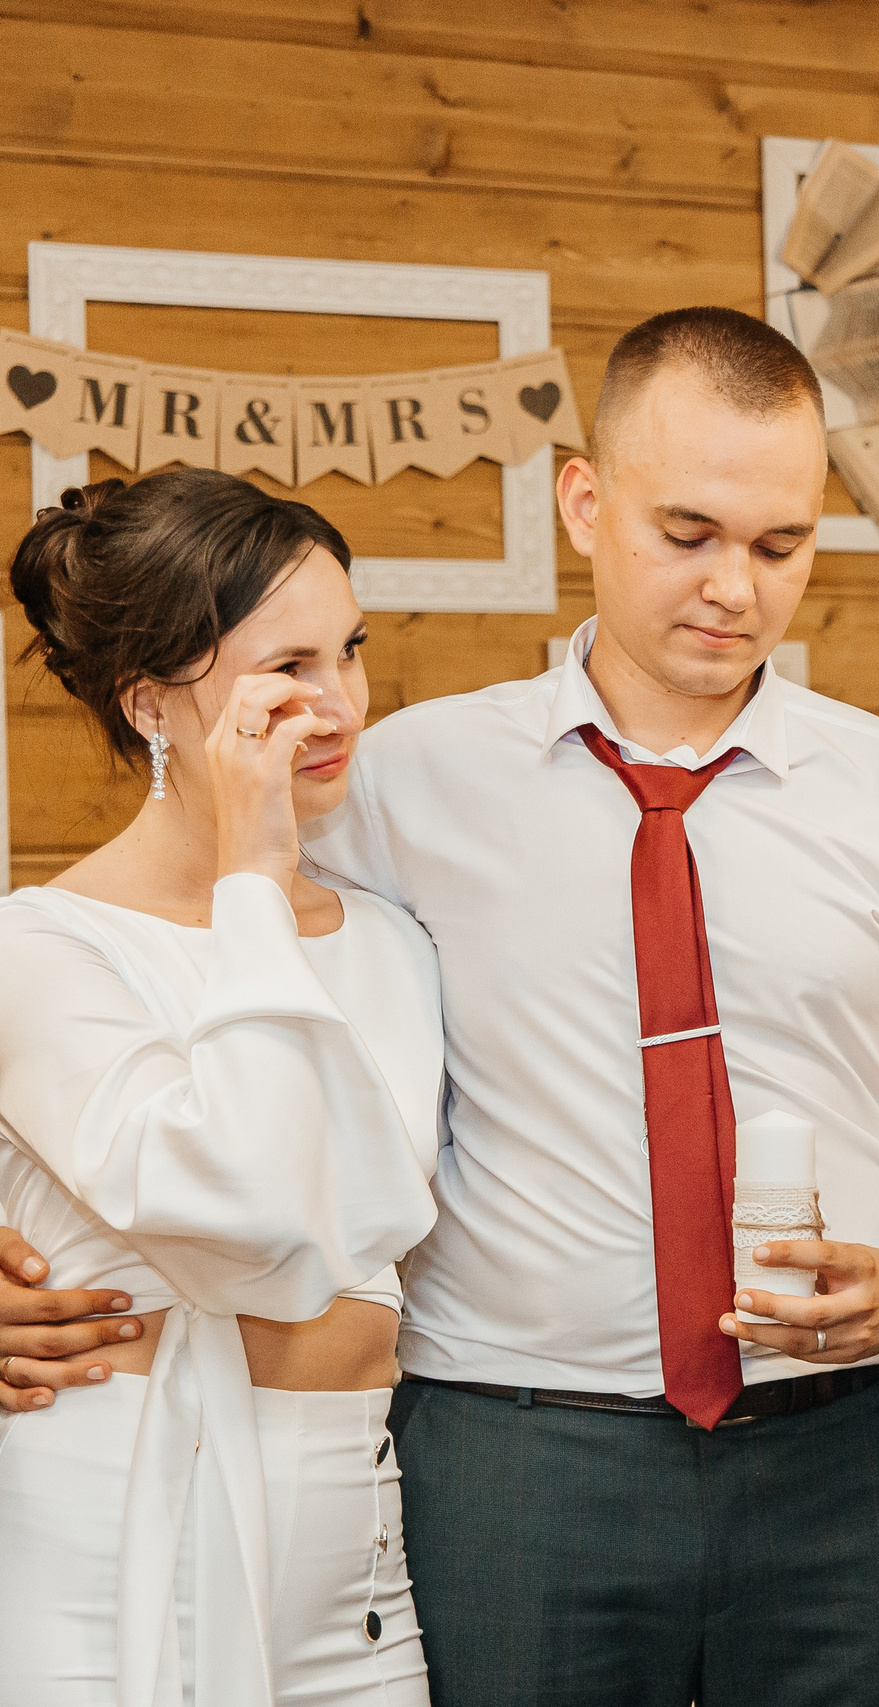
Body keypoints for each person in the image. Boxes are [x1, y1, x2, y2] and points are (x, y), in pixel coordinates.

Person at [2, 308, 879, 1706]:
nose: (734, 587)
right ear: (584, 499)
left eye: (779, 543)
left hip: (853, 1458)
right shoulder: (391, 786)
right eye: (687, 531)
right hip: (515, 1463)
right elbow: (180, 976)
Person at [0, 470, 443, 1704]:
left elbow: (395, 1236)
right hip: (117, 1518)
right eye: (287, 668)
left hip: (356, 1541)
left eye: (349, 652)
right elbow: (246, 1217)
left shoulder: (392, 945)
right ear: (152, 702)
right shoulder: (43, 948)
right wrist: (254, 875)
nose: (339, 702)